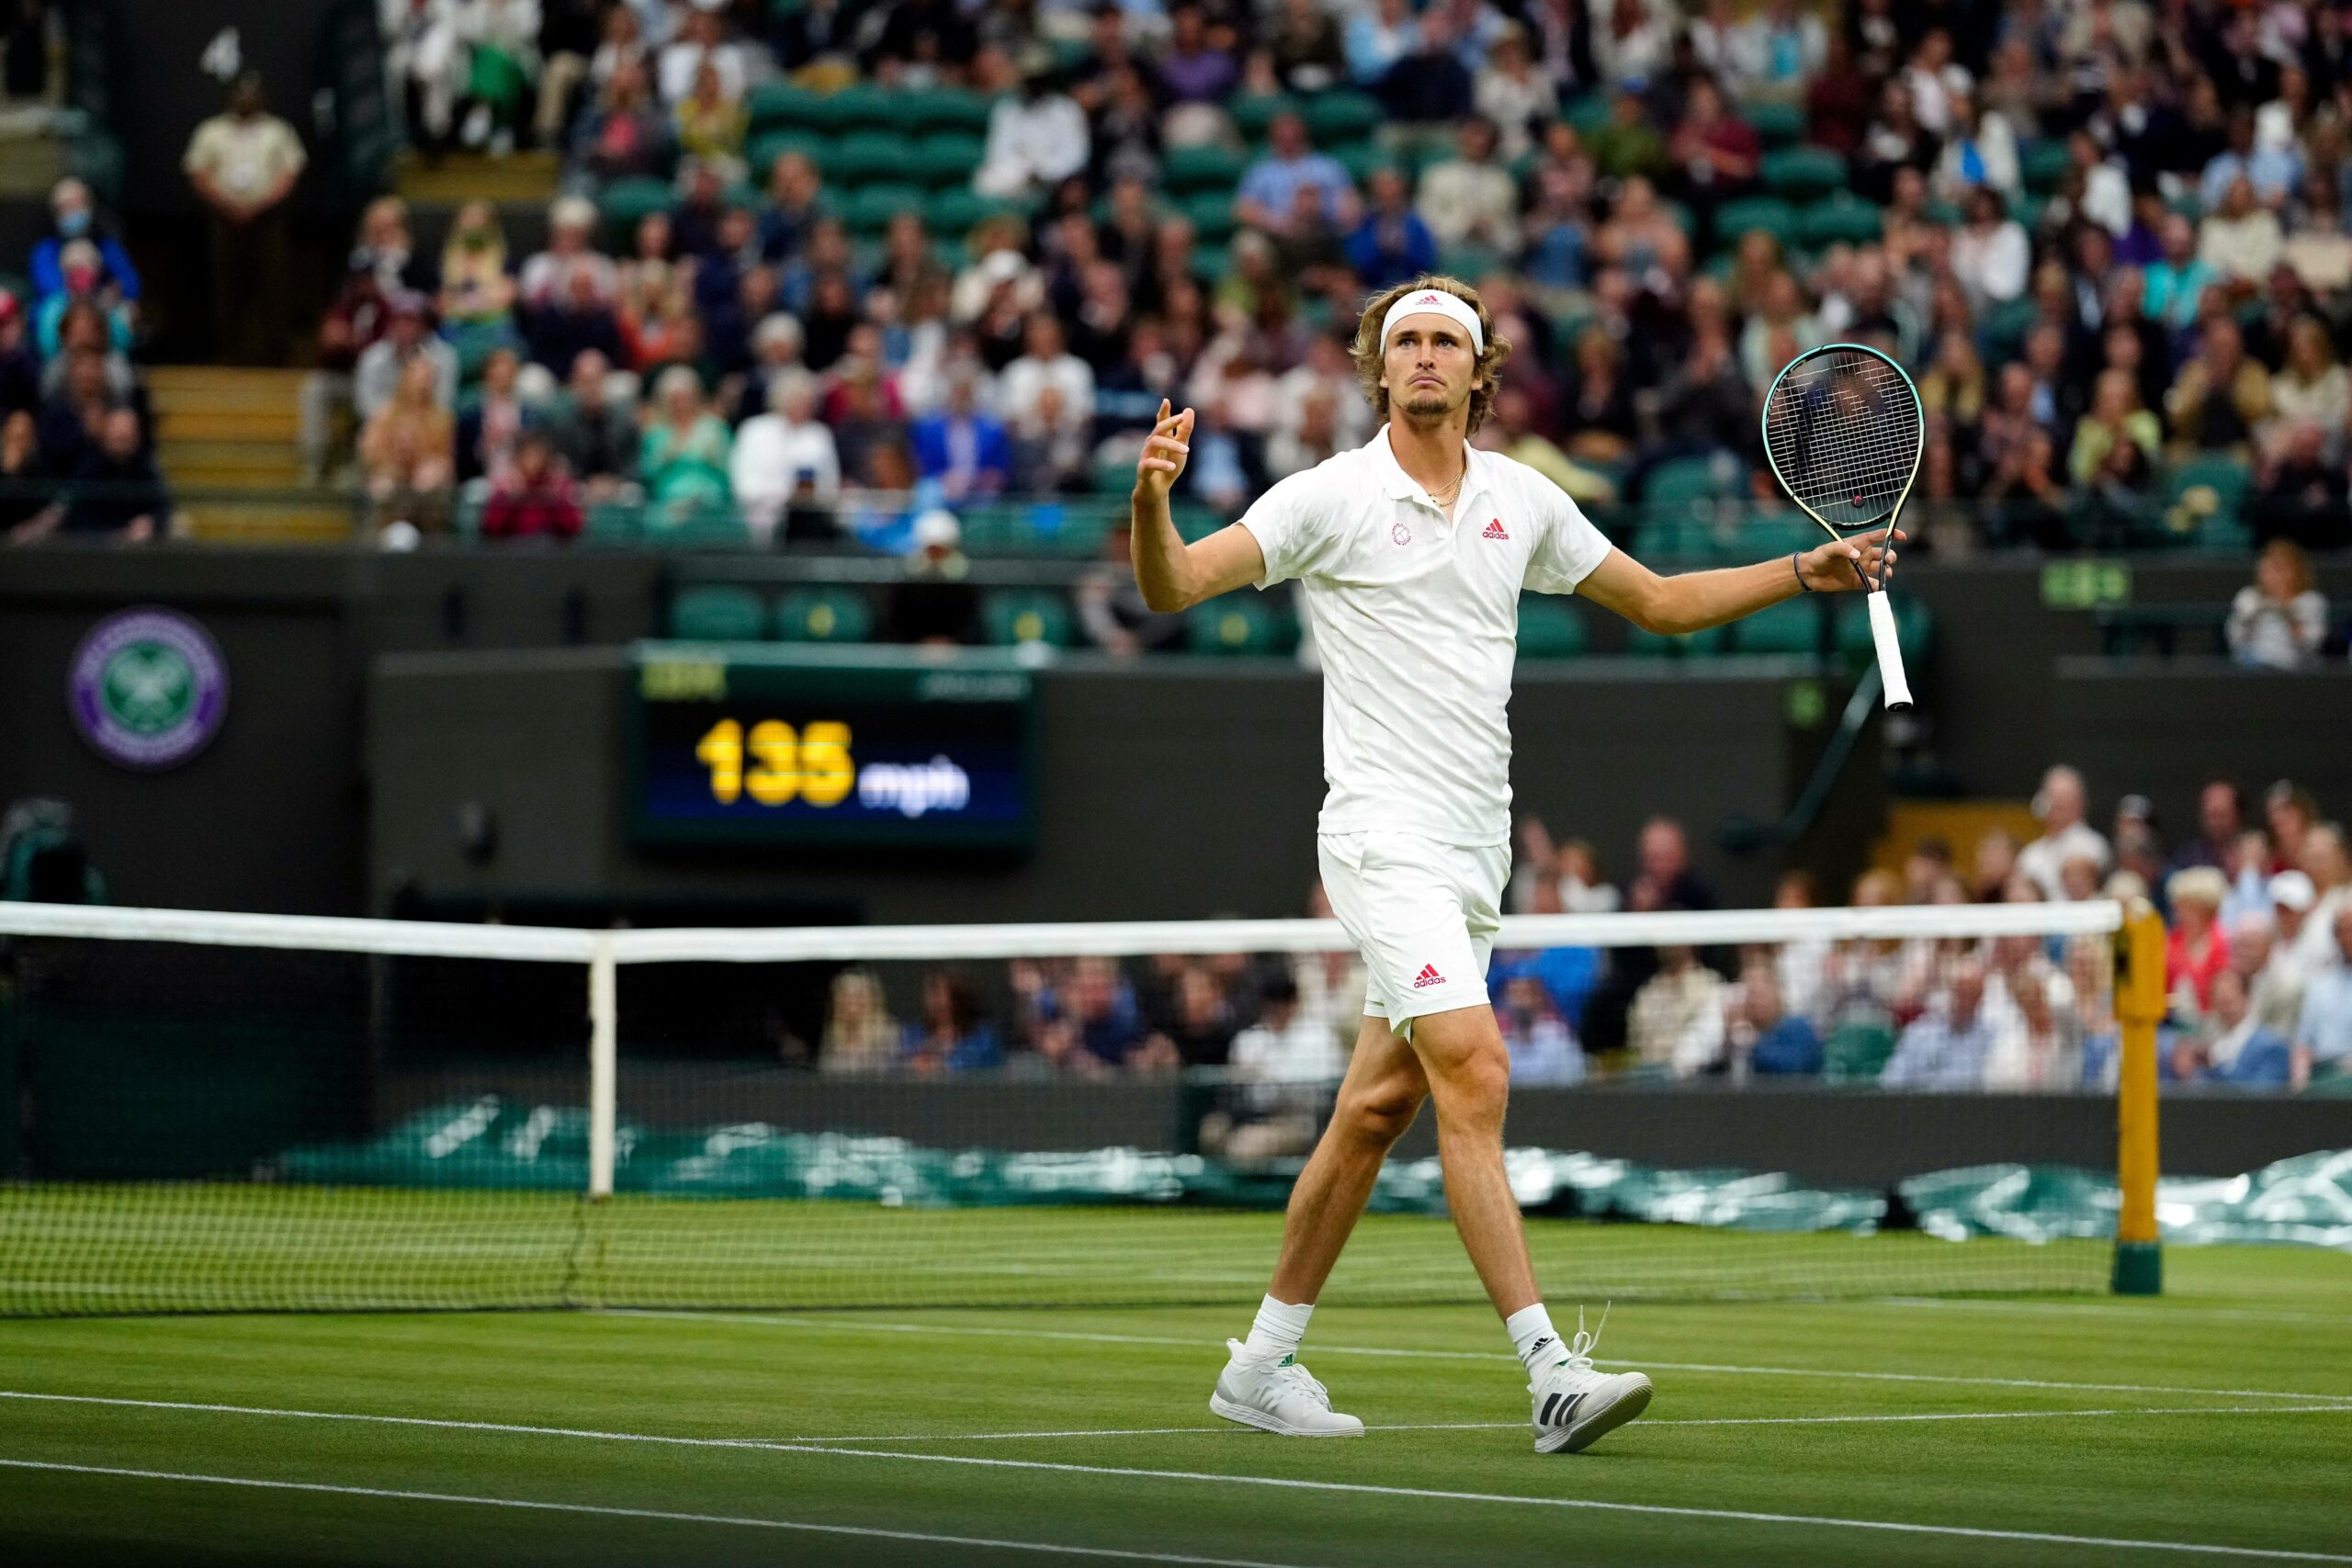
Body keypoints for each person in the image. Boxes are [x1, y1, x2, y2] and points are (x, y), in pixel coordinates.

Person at [1128, 273, 1899, 1452]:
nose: (1427, 357)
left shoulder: (1522, 501)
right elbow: (1173, 584)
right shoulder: (1326, 497)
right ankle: (1547, 1368)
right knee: (1474, 1072)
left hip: (1474, 846)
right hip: (1379, 833)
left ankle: (1261, 1364)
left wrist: (1805, 571)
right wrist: (1152, 504)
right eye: (1408, 343)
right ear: (1376, 369)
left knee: (1379, 1107)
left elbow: (1657, 601)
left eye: (1448, 342)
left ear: (1479, 372)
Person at [183, 73, 305, 365]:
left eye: (251, 94)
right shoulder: (211, 130)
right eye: (240, 93)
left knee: (273, 285)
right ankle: (227, 353)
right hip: (224, 221)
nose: (245, 99)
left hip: (268, 221)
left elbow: (290, 171)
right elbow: (198, 171)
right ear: (230, 96)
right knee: (226, 287)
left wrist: (261, 204)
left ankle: (275, 354)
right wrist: (229, 205)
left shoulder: (278, 131)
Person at [1882, 961, 1996, 1089]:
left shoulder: (1990, 1038)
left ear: (1981, 998)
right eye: (1961, 992)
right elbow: (1892, 1081)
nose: (1965, 1000)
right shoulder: (1920, 1032)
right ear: (1951, 990)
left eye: (1972, 994)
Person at [2226, 539, 2328, 670]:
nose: (2277, 577)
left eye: (2283, 569)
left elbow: (2311, 643)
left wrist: (2286, 613)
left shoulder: (2311, 601)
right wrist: (2257, 612)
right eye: (2271, 570)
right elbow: (2235, 640)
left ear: (2297, 572)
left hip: (2297, 667)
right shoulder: (2247, 597)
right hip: (2253, 666)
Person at [2017, 766, 2111, 900]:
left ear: (2080, 803)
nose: (2057, 805)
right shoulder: (2031, 853)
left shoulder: (2093, 845)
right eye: (2053, 797)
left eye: (2065, 799)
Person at [481, 428, 582, 541]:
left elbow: (573, 527)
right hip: (512, 551)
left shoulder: (559, 485)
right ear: (519, 457)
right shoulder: (507, 486)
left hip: (552, 551)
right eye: (528, 454)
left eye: (538, 454)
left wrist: (554, 497)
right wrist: (511, 497)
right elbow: (491, 527)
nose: (534, 461)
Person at [2290, 905, 2352, 1089]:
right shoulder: (2319, 985)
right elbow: (2303, 1043)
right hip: (2323, 1072)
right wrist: (2299, 1080)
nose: (2348, 938)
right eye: (2343, 931)